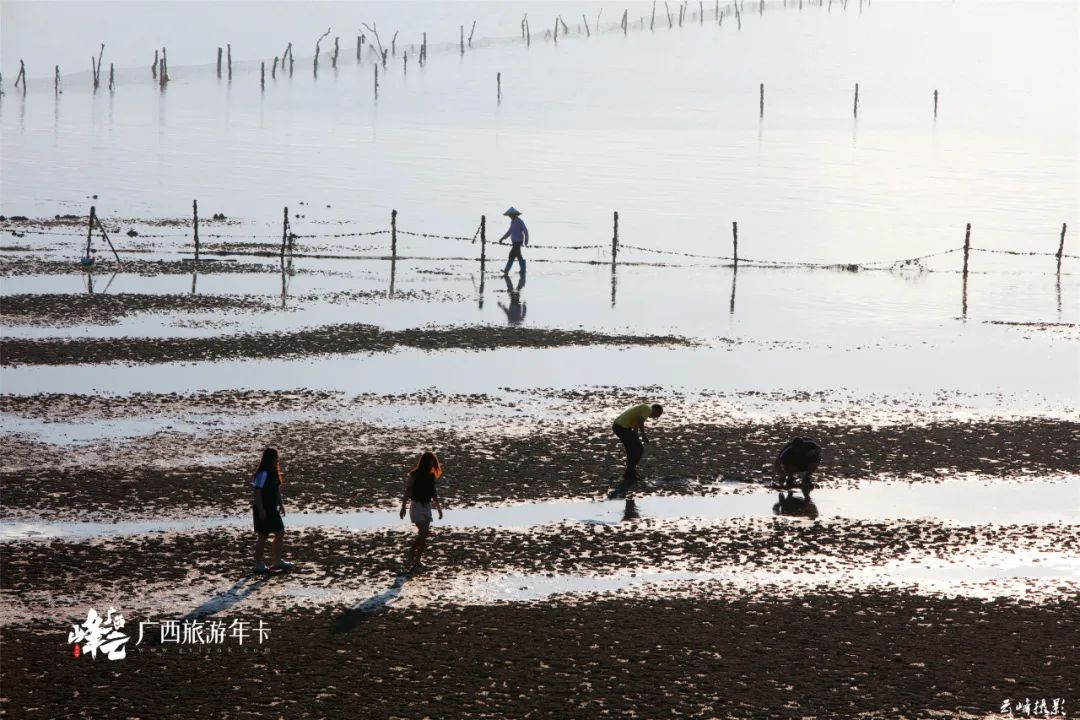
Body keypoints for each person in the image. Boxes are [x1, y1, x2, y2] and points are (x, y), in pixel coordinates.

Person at [399, 451, 444, 570]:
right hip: (416, 506)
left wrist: (439, 509)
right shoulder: (414, 474)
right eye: (430, 462)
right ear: (424, 462)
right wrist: (403, 507)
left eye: (433, 462)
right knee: (424, 532)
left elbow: (434, 493)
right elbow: (408, 490)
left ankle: (417, 561)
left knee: (423, 536)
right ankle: (411, 551)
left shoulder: (432, 476)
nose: (431, 464)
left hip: (427, 506)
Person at [252, 447, 293, 572]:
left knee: (280, 532)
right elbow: (257, 492)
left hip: (272, 507)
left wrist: (281, 505)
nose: (277, 460)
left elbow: (276, 491)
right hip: (263, 507)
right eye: (276, 457)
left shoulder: (274, 472)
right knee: (263, 535)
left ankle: (277, 561)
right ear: (270, 458)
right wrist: (261, 509)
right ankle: (259, 563)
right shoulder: (262, 473)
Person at [612, 403, 663, 483]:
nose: (654, 418)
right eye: (657, 415)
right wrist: (643, 436)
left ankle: (630, 472)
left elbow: (636, 421)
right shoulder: (648, 409)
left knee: (631, 450)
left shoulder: (644, 409)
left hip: (618, 426)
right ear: (656, 409)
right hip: (622, 428)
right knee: (639, 449)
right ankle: (629, 472)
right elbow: (640, 421)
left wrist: (635, 434)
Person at [498, 206, 529, 275]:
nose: (509, 216)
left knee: (511, 255)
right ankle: (523, 270)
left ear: (514, 215)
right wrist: (503, 238)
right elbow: (510, 231)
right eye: (509, 215)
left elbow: (525, 231)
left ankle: (506, 271)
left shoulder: (519, 221)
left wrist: (526, 241)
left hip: (518, 241)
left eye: (510, 215)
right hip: (515, 242)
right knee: (518, 255)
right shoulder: (513, 222)